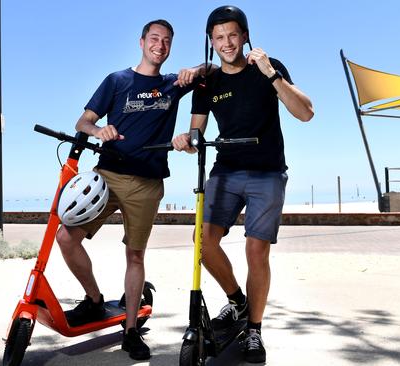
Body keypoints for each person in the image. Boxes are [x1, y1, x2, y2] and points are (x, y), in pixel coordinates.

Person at [54, 19, 204, 361]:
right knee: (66, 237)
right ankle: (94, 300)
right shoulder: (117, 80)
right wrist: (99, 130)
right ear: (141, 42)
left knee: (135, 256)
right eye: (154, 39)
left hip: (148, 183)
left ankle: (131, 330)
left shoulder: (173, 84)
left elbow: (209, 69)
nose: (160, 45)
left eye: (167, 41)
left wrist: (193, 70)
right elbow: (83, 122)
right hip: (107, 176)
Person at [172, 5, 313, 364]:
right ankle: (237, 301)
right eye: (219, 37)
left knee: (256, 250)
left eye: (233, 35)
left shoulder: (268, 67)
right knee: (202, 242)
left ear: (245, 35)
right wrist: (186, 140)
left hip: (267, 171)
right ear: (211, 42)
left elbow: (305, 112)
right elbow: (196, 130)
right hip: (226, 169)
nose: (227, 42)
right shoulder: (209, 82)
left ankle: (254, 329)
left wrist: (271, 75)